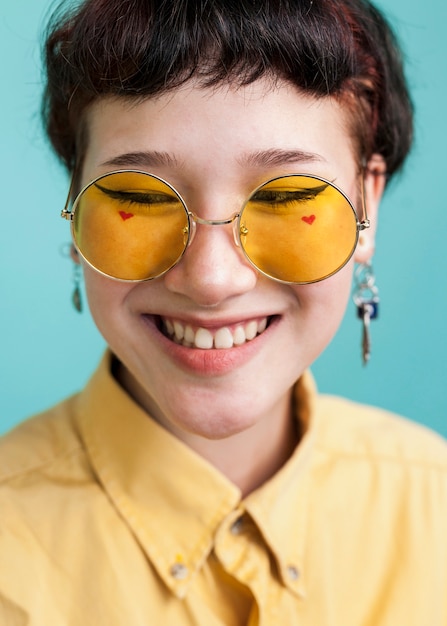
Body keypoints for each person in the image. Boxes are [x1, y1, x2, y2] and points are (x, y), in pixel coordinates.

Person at [1, 0, 446, 624]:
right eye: (136, 198)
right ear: (74, 210)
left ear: (367, 201)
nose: (212, 280)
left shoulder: (435, 505)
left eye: (290, 197)